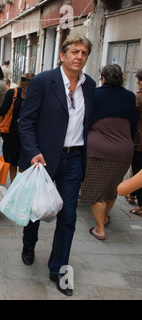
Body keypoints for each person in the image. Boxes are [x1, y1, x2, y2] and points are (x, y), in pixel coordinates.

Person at [18, 34, 96, 296]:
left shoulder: (90, 85)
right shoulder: (43, 82)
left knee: (69, 215)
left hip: (74, 157)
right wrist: (33, 152)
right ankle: (29, 244)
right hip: (44, 157)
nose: (79, 57)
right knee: (37, 208)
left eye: (84, 53)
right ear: (62, 55)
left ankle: (58, 268)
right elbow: (26, 121)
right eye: (75, 51)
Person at [81, 64, 138, 240]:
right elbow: (134, 125)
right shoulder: (130, 97)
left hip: (98, 149)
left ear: (103, 77)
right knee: (112, 189)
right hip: (124, 150)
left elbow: (85, 121)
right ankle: (104, 217)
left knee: (95, 191)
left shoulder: (94, 95)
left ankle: (100, 228)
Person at [0, 73, 34, 183]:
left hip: (27, 132)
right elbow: (2, 111)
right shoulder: (13, 93)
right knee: (11, 160)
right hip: (12, 131)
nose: (26, 89)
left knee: (23, 160)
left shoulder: (35, 95)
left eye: (28, 86)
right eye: (24, 86)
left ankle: (19, 184)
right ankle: (13, 184)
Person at [128, 69, 142, 215]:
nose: (137, 83)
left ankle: (140, 203)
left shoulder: (138, 98)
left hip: (139, 139)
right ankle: (131, 193)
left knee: (138, 169)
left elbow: (134, 119)